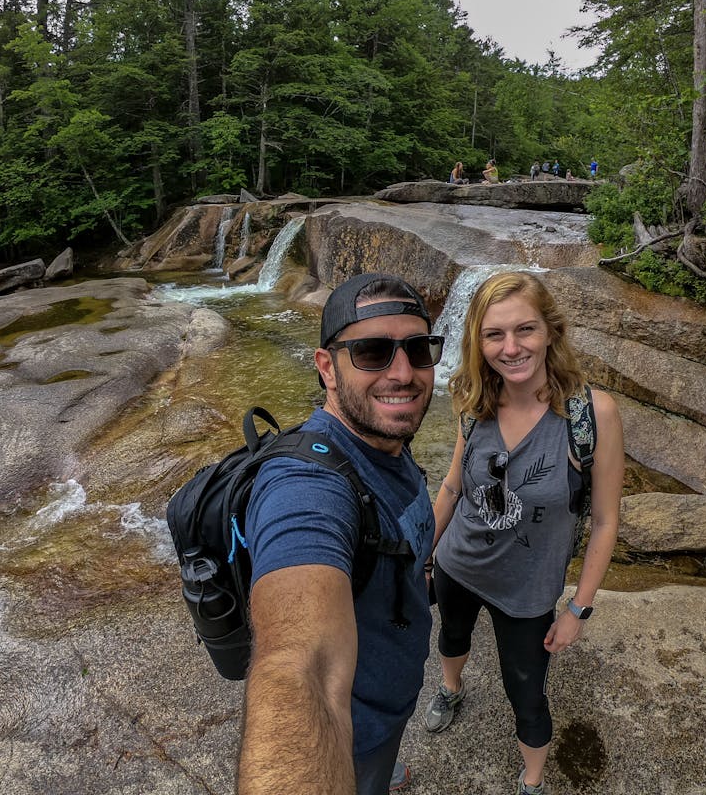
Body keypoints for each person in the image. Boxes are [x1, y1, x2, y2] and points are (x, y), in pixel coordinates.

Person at [238, 272, 443, 795]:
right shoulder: (305, 485)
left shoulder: (384, 430)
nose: (403, 374)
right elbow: (300, 663)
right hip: (352, 734)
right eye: (372, 353)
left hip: (390, 699)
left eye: (419, 349)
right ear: (327, 368)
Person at [422, 272, 624, 795]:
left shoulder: (592, 415)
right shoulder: (472, 396)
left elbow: (605, 520)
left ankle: (532, 779)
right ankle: (449, 687)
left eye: (525, 330)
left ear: (550, 331)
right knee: (451, 637)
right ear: (477, 341)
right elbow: (451, 486)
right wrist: (422, 551)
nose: (511, 348)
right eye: (494, 335)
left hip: (528, 591)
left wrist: (579, 607)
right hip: (457, 564)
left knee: (528, 693)